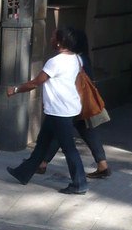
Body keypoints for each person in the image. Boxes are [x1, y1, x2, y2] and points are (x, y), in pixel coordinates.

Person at [5, 26, 88, 195]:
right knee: (42, 144)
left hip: (60, 111)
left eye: (53, 36)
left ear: (59, 42)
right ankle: (23, 173)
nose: (50, 38)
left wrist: (15, 90)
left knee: (69, 148)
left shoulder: (55, 62)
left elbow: (36, 82)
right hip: (63, 110)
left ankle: (79, 183)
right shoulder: (77, 59)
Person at [34, 28, 110, 179]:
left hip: (73, 103)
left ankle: (43, 163)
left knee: (61, 135)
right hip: (79, 103)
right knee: (86, 133)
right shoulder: (82, 58)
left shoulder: (76, 59)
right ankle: (102, 165)